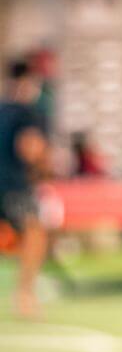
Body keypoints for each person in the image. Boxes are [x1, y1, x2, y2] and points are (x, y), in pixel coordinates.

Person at [0, 60, 50, 319]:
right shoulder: (27, 112)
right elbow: (30, 147)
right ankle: (25, 294)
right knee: (34, 232)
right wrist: (43, 165)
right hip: (13, 183)